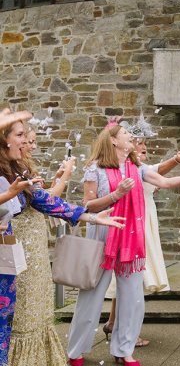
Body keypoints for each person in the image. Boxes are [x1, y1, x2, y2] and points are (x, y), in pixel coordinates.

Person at [66, 122, 180, 366]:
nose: (131, 136)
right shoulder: (96, 169)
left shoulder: (137, 167)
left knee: (133, 298)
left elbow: (164, 182)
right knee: (91, 296)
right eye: (126, 133)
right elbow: (87, 205)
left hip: (131, 240)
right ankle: (76, 351)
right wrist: (115, 196)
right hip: (103, 235)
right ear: (113, 140)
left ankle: (123, 349)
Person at [0, 119, 125, 365]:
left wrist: (91, 217)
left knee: (8, 318)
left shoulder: (15, 171)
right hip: (13, 249)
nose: (26, 141)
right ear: (4, 138)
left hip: (10, 255)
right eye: (21, 135)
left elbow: (47, 201)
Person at [103, 116, 180, 347]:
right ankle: (126, 332)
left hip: (145, 221)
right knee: (133, 278)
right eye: (139, 143)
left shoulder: (138, 166)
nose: (142, 147)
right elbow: (158, 173)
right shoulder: (130, 167)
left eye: (143, 144)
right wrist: (175, 161)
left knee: (129, 279)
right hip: (139, 226)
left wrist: (176, 162)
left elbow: (155, 173)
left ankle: (114, 323)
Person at [8, 127, 76, 366]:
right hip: (22, 241)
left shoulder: (20, 165)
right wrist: (65, 177)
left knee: (38, 306)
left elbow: (43, 197)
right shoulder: (9, 170)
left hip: (35, 241)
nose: (32, 145)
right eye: (27, 140)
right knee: (25, 308)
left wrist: (59, 179)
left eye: (33, 141)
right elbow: (39, 202)